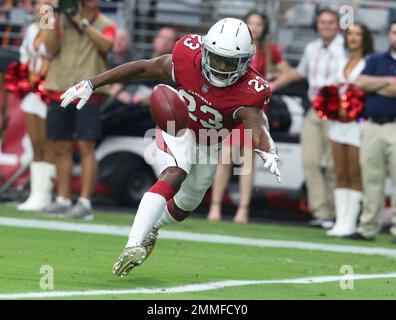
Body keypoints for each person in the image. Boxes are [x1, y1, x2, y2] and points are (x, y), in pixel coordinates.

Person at [60, 17, 281, 277]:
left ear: (245, 62)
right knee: (176, 171)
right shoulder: (187, 55)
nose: (220, 68)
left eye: (229, 62)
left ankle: (152, 229)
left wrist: (268, 148)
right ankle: (133, 242)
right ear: (204, 50)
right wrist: (92, 83)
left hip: (210, 142)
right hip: (179, 125)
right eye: (216, 59)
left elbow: (258, 123)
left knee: (186, 204)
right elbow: (144, 68)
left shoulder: (251, 89)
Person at [207, 10, 290, 224]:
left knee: (248, 160)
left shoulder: (269, 50)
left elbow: (290, 73)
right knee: (225, 157)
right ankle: (215, 207)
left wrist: (272, 84)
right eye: (250, 23)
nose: (254, 27)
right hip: (232, 108)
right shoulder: (232, 44)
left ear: (265, 27)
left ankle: (243, 210)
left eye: (259, 24)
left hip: (254, 111)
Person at [41, 0, 116, 219]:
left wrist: (82, 23)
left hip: (87, 92)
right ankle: (63, 199)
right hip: (59, 88)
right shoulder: (58, 18)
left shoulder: (105, 23)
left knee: (86, 146)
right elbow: (48, 47)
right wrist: (47, 12)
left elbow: (107, 46)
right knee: (60, 146)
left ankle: (84, 202)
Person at [275, 8, 346, 229]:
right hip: (314, 109)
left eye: (330, 22)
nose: (326, 26)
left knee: (335, 165)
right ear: (318, 25)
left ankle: (337, 213)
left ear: (338, 25)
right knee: (311, 161)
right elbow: (299, 73)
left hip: (338, 111)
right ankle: (321, 212)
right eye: (322, 22)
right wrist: (273, 83)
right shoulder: (311, 48)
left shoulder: (347, 47)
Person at [347, 19, 396, 242]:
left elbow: (369, 83)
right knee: (371, 179)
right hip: (372, 125)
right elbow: (360, 82)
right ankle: (368, 228)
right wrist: (389, 82)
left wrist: (376, 85)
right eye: (394, 32)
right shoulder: (376, 59)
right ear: (389, 34)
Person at [326, 23, 374, 237]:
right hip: (339, 122)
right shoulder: (342, 59)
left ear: (365, 38)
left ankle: (351, 222)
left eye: (358, 34)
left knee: (356, 172)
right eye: (350, 34)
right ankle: (340, 221)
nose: (353, 38)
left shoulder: (369, 62)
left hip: (358, 122)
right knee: (340, 171)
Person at [17, 0, 56, 211]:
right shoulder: (32, 28)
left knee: (48, 143)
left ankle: (46, 196)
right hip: (32, 89)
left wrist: (49, 25)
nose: (42, 6)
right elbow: (25, 54)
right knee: (35, 144)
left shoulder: (56, 28)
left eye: (48, 3)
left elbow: (52, 53)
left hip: (49, 90)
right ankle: (36, 194)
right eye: (40, 2)